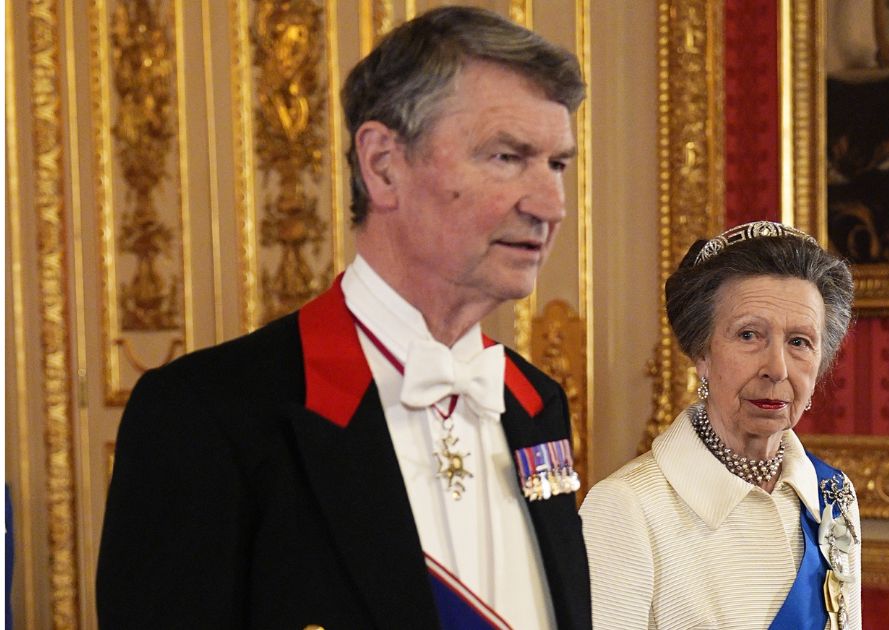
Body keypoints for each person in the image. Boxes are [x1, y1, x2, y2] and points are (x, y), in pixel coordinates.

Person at [96, 6, 590, 629]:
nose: (550, 204)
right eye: (506, 157)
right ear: (383, 164)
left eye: (557, 164)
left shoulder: (534, 403)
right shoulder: (207, 417)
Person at [581, 221, 861, 630]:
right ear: (702, 354)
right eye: (749, 335)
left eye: (800, 341)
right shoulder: (627, 508)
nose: (777, 369)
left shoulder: (833, 496)